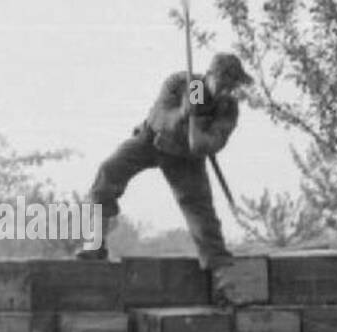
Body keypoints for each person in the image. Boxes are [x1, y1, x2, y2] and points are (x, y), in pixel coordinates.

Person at [77, 52, 253, 269]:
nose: (226, 89)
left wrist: (197, 128)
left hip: (185, 157)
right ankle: (93, 246)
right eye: (223, 81)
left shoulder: (228, 107)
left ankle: (218, 264)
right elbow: (162, 119)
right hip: (150, 141)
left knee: (199, 208)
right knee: (108, 173)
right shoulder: (184, 83)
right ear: (209, 75)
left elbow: (214, 140)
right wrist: (184, 113)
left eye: (232, 84)